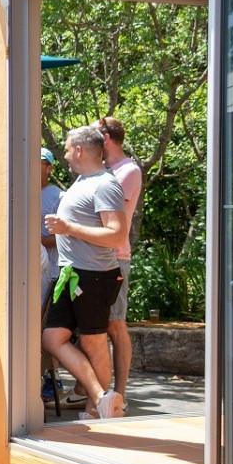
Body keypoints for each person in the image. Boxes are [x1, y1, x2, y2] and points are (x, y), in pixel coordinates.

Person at [41, 124, 128, 420]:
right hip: (71, 274)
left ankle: (98, 409)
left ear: (79, 149)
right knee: (52, 339)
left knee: (93, 341)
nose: (64, 155)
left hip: (93, 275)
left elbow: (116, 235)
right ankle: (101, 397)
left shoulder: (105, 184)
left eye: (66, 148)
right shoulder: (82, 180)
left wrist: (69, 229)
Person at [101, 116, 142, 401]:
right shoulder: (104, 169)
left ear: (105, 138)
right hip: (93, 257)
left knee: (116, 324)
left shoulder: (128, 170)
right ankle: (92, 391)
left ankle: (121, 393)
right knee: (93, 327)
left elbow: (104, 213)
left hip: (115, 257)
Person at [40, 147, 64, 297]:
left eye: (38, 163)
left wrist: (36, 242)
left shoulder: (60, 196)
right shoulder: (18, 193)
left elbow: (64, 235)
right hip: (22, 269)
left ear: (49, 168)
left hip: (50, 271)